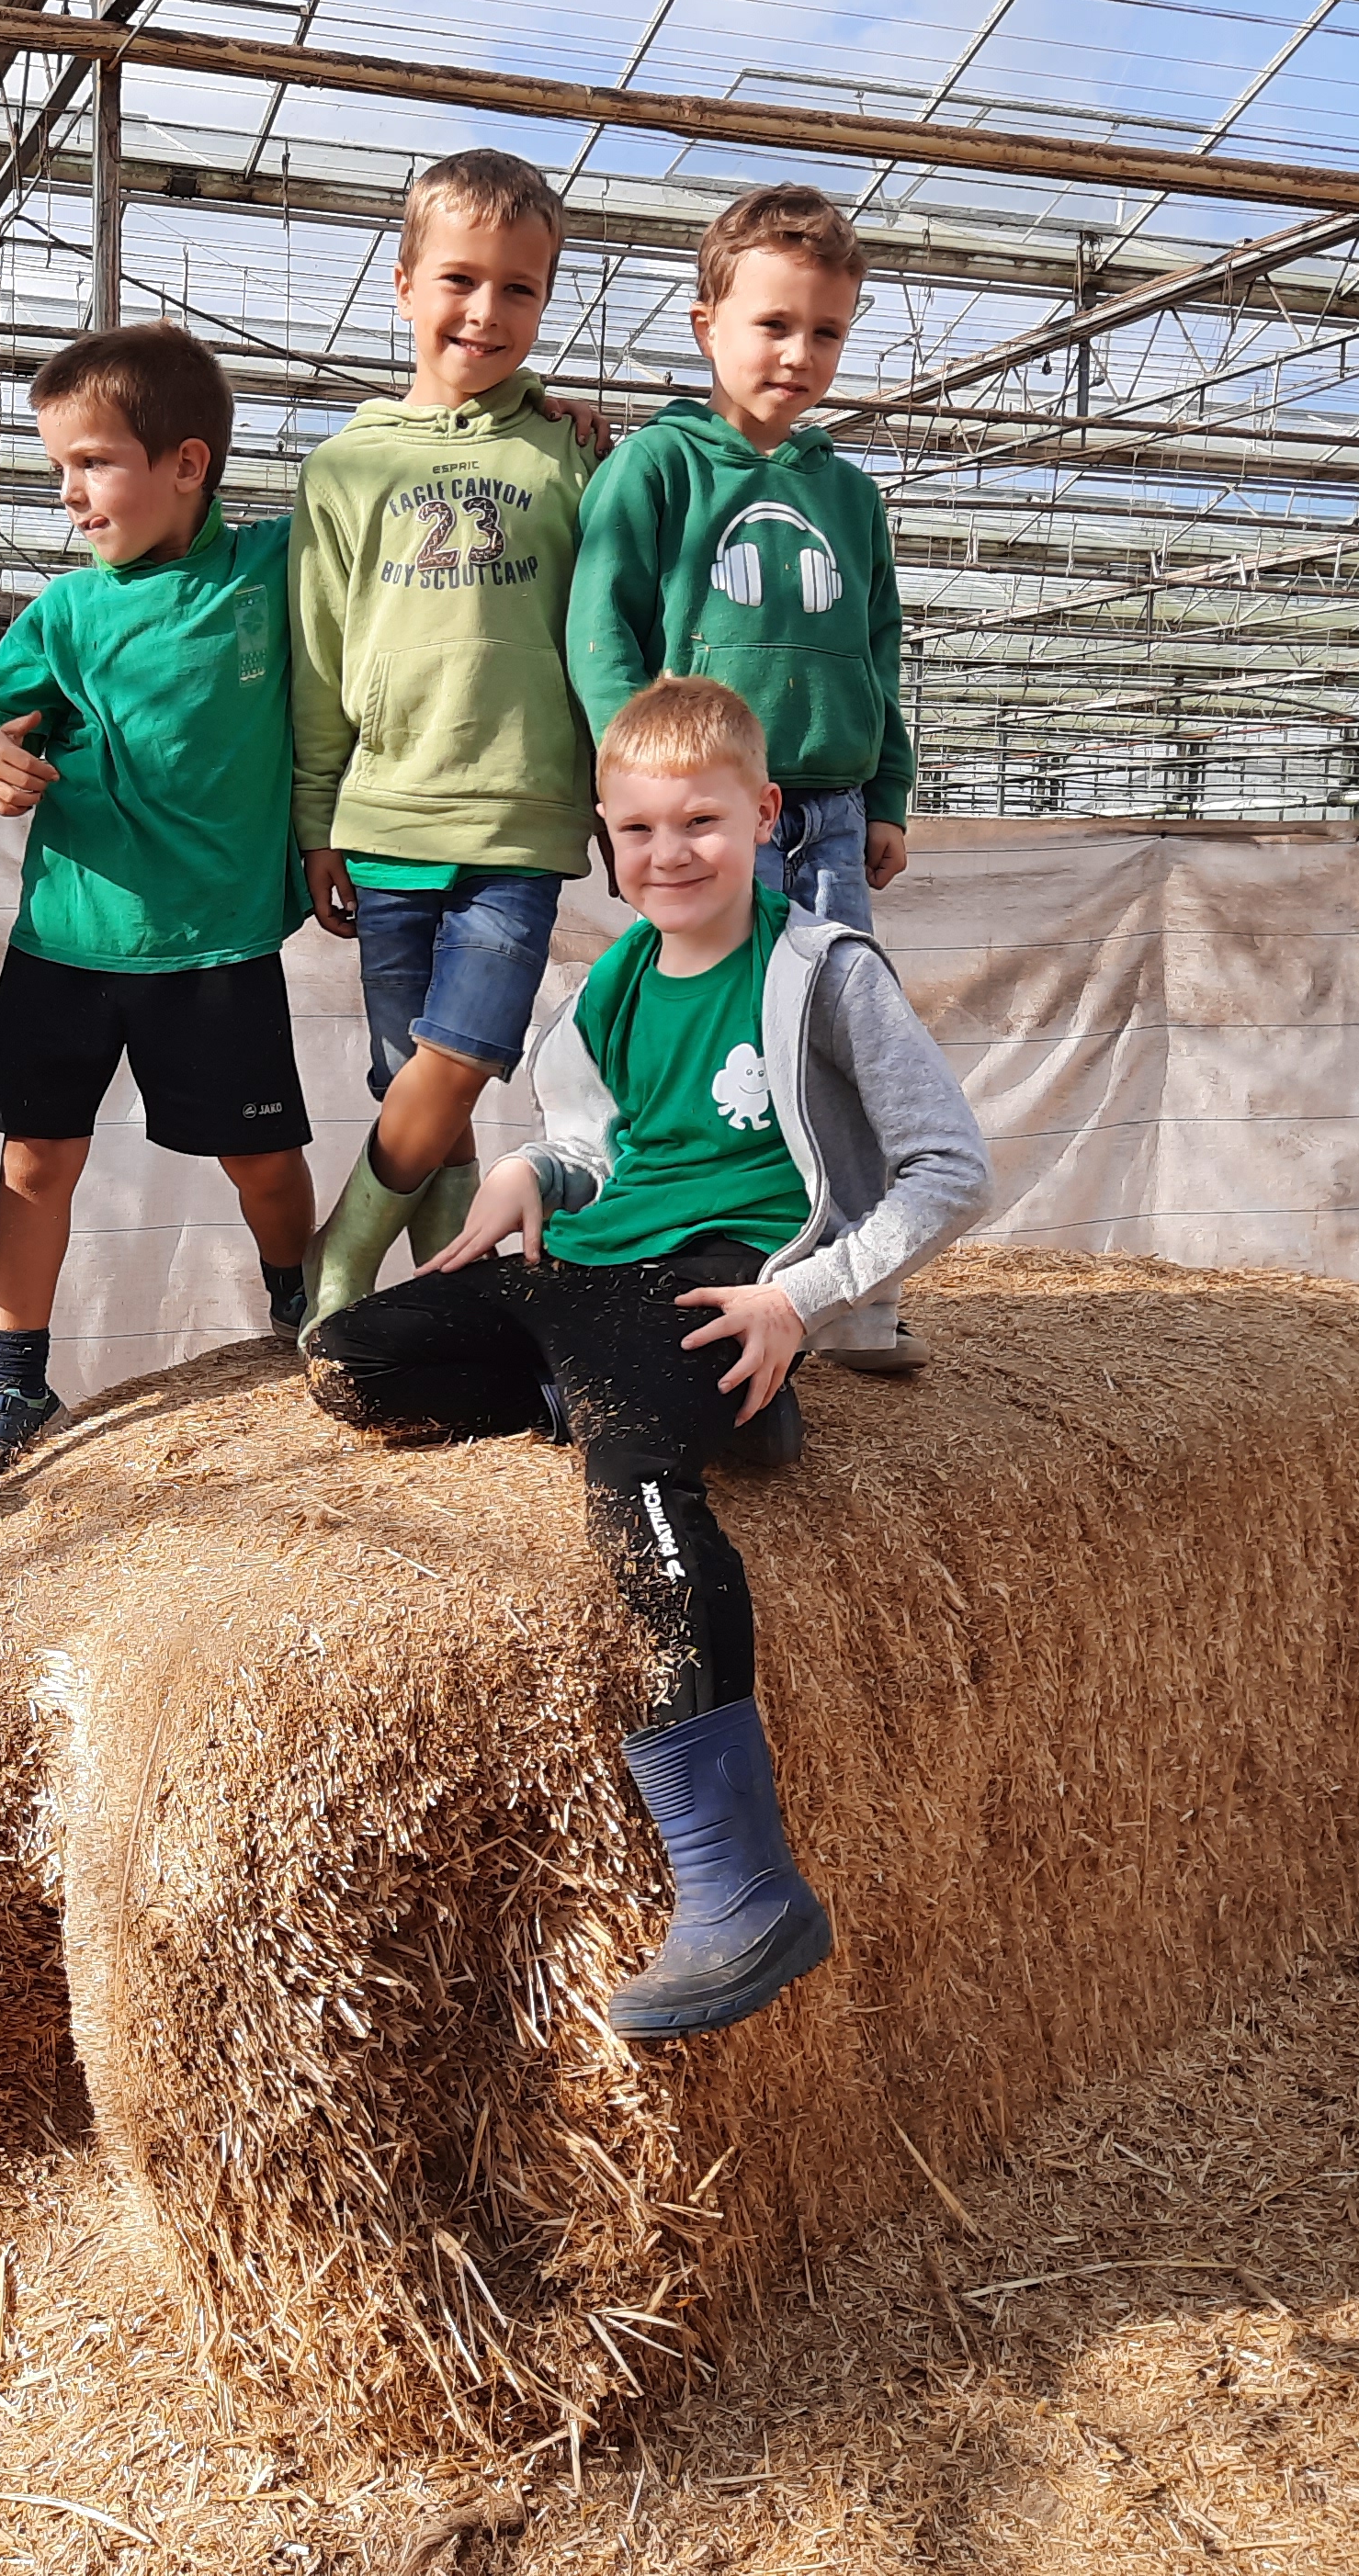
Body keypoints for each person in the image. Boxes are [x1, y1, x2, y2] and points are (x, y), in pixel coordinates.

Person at [301, 676, 991, 2039]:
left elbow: (947, 1168)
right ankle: (673, 1401)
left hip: (719, 1274)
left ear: (768, 818)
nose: (667, 853)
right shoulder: (615, 972)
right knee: (350, 1358)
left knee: (630, 1478)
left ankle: (743, 1885)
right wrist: (521, 1175)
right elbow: (589, 1144)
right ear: (605, 838)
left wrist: (808, 1299)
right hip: (598, 1264)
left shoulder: (825, 975)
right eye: (637, 829)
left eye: (700, 822)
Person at [0, 322, 320, 1467]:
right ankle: (13, 1382)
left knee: (259, 1160)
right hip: (67, 937)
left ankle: (297, 1313)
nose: (70, 493)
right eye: (58, 467)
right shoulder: (63, 614)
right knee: (33, 1159)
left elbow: (396, 495)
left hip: (214, 947)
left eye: (94, 462)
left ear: (188, 465)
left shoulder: (270, 567)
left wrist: (554, 418)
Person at [289, 144, 603, 1333]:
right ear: (406, 281)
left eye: (520, 288)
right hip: (384, 819)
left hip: (519, 818)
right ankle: (457, 1303)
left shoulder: (567, 452)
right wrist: (316, 821)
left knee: (461, 1052)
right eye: (462, 279)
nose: (487, 311)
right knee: (408, 1081)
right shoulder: (348, 463)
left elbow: (613, 627)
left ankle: (342, 1255)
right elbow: (321, 659)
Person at [569, 182, 912, 937]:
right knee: (715, 996)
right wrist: (642, 790)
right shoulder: (655, 466)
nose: (800, 354)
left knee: (830, 1004)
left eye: (827, 333)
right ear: (707, 328)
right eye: (774, 325)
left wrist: (887, 799)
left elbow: (879, 652)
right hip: (702, 808)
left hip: (835, 813)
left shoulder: (853, 498)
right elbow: (599, 636)